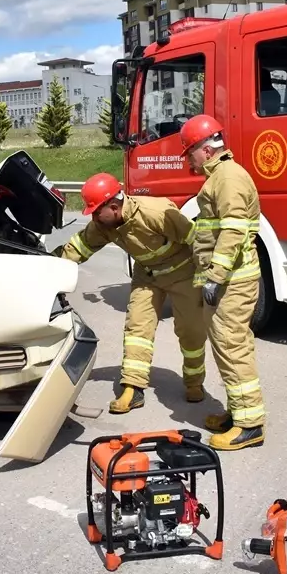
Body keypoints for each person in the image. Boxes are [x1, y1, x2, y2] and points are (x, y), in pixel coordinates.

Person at [51, 173, 207, 414]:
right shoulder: (105, 224)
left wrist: (206, 275)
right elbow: (81, 246)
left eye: (95, 211)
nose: (93, 217)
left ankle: (194, 382)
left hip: (182, 273)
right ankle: (133, 389)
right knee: (137, 329)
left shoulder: (156, 213)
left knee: (191, 331)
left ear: (114, 206)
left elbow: (195, 239)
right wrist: (52, 267)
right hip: (148, 276)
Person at [179, 114, 265, 451]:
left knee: (232, 346)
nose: (190, 160)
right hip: (230, 279)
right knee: (228, 346)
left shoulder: (227, 178)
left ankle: (250, 425)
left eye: (190, 153)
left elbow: (232, 231)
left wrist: (215, 275)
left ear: (205, 149)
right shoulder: (220, 177)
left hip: (232, 281)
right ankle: (238, 412)